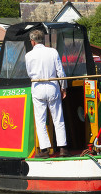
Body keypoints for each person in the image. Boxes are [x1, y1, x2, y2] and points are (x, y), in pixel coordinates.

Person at [24, 29, 68, 157]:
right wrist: (63, 87)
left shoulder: (28, 56)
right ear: (43, 40)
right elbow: (60, 72)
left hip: (37, 86)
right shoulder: (53, 52)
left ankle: (44, 150)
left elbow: (29, 73)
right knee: (58, 118)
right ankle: (63, 149)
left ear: (32, 42)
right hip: (52, 86)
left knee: (40, 120)